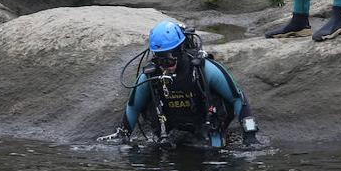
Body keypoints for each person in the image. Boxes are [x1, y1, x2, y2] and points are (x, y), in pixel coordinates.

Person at [103, 21, 258, 149]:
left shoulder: (204, 69)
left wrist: (250, 134)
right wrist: (123, 134)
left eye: (170, 60)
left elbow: (238, 98)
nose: (165, 66)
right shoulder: (150, 75)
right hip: (169, 133)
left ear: (180, 51)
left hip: (206, 127)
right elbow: (133, 107)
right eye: (160, 61)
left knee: (214, 155)